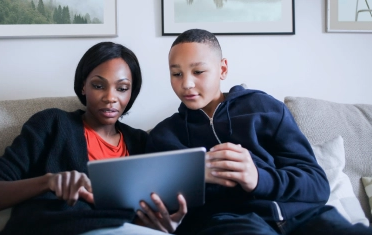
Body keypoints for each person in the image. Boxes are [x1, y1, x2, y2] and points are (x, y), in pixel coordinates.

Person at [144, 29, 372, 235]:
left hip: (304, 218)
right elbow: (164, 206)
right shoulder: (165, 136)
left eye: (198, 71)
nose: (187, 84)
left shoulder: (264, 108)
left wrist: (258, 179)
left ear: (222, 69)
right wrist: (193, 181)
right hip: (232, 223)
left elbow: (317, 185)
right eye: (176, 74)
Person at [0, 42, 184, 235]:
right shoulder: (53, 124)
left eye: (122, 88)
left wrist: (162, 223)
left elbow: (144, 211)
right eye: (98, 86)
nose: (110, 98)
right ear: (83, 86)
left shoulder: (140, 142)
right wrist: (48, 181)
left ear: (131, 92)